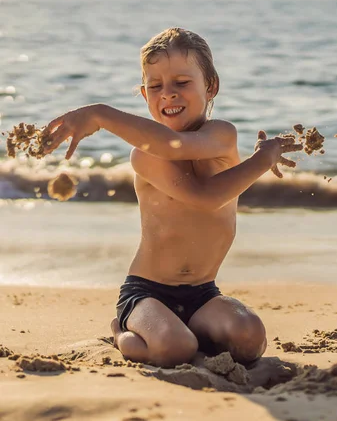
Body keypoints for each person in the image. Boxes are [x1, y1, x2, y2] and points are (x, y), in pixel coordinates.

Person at [44, 27, 302, 368]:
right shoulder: (147, 155)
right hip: (148, 292)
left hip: (203, 292)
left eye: (181, 83)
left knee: (250, 338)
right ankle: (122, 331)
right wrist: (99, 114)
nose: (167, 95)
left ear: (211, 86)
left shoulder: (222, 135)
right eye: (155, 87)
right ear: (143, 93)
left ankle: (189, 333)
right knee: (174, 349)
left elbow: (192, 157)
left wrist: (259, 159)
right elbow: (204, 196)